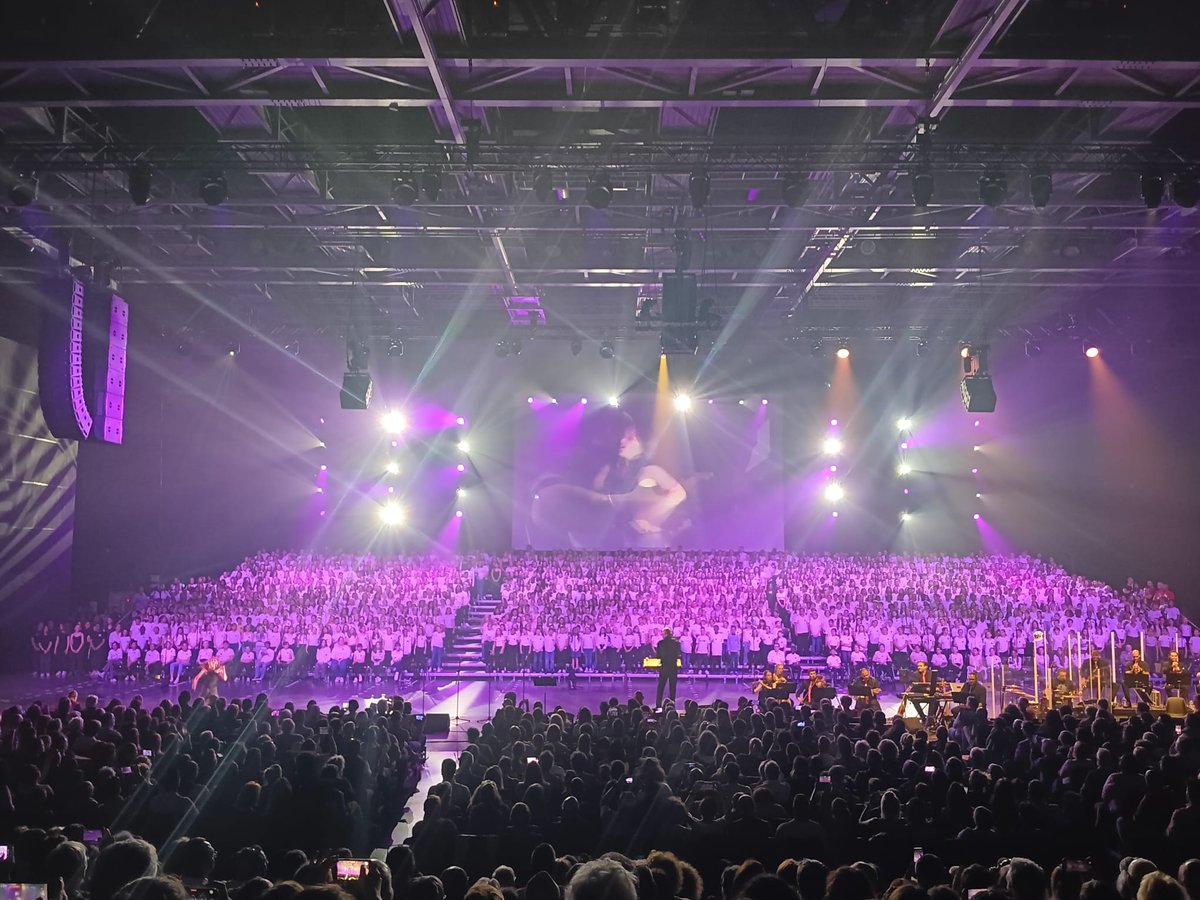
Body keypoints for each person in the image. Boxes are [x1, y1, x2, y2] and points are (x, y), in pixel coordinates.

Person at [655, 627, 681, 708]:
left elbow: (658, 656)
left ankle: (658, 705)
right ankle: (672, 704)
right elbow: (679, 655)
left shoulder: (660, 643)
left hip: (664, 667)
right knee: (672, 687)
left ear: (665, 634)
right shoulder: (676, 643)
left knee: (661, 687)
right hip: (673, 667)